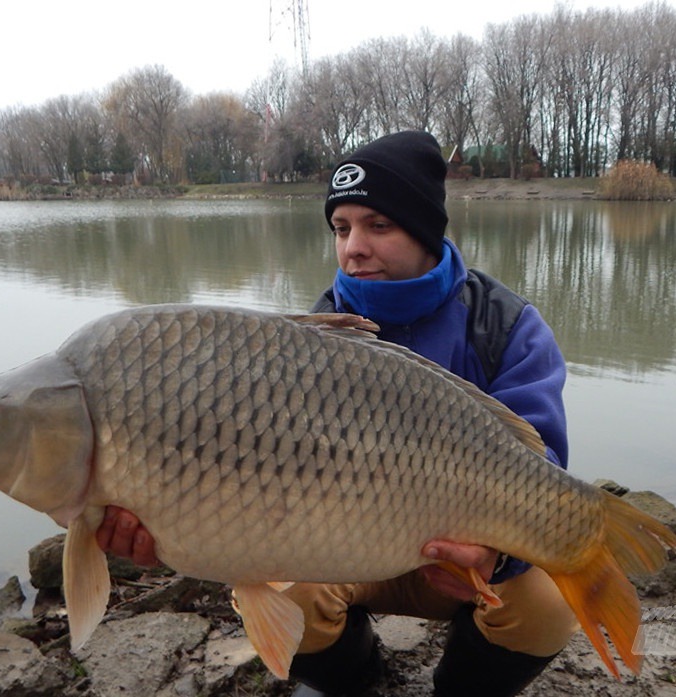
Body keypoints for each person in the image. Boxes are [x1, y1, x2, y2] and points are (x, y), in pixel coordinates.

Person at [96, 131, 579, 697]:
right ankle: (351, 679)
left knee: (546, 606)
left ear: (425, 230)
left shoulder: (505, 325)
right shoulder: (314, 338)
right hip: (345, 551)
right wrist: (174, 525)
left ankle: (462, 687)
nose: (353, 248)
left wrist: (495, 560)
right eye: (341, 228)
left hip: (459, 562)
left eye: (378, 225)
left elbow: (543, 469)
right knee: (278, 591)